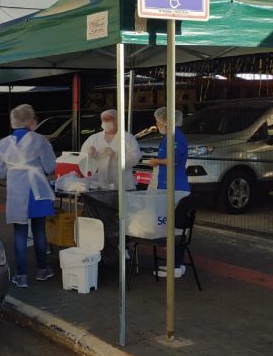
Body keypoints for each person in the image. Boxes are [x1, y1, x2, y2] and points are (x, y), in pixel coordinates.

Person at [0, 104, 57, 288]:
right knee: (39, 231)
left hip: (16, 190)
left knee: (19, 233)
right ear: (30, 120)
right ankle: (42, 270)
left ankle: (21, 276)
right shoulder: (40, 140)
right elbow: (50, 166)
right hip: (37, 189)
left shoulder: (3, 143)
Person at [147, 107, 191, 277]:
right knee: (170, 227)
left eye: (158, 121)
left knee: (177, 227)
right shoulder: (168, 137)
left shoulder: (175, 137)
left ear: (165, 121)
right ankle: (174, 264)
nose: (157, 123)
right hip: (167, 186)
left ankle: (176, 266)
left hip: (176, 188)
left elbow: (173, 161)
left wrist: (156, 161)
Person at [79, 109, 142, 191]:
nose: (106, 122)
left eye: (109, 120)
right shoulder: (93, 138)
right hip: (99, 185)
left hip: (123, 184)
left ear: (117, 120)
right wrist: (89, 154)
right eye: (104, 120)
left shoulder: (127, 138)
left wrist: (117, 155)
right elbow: (82, 159)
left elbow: (135, 158)